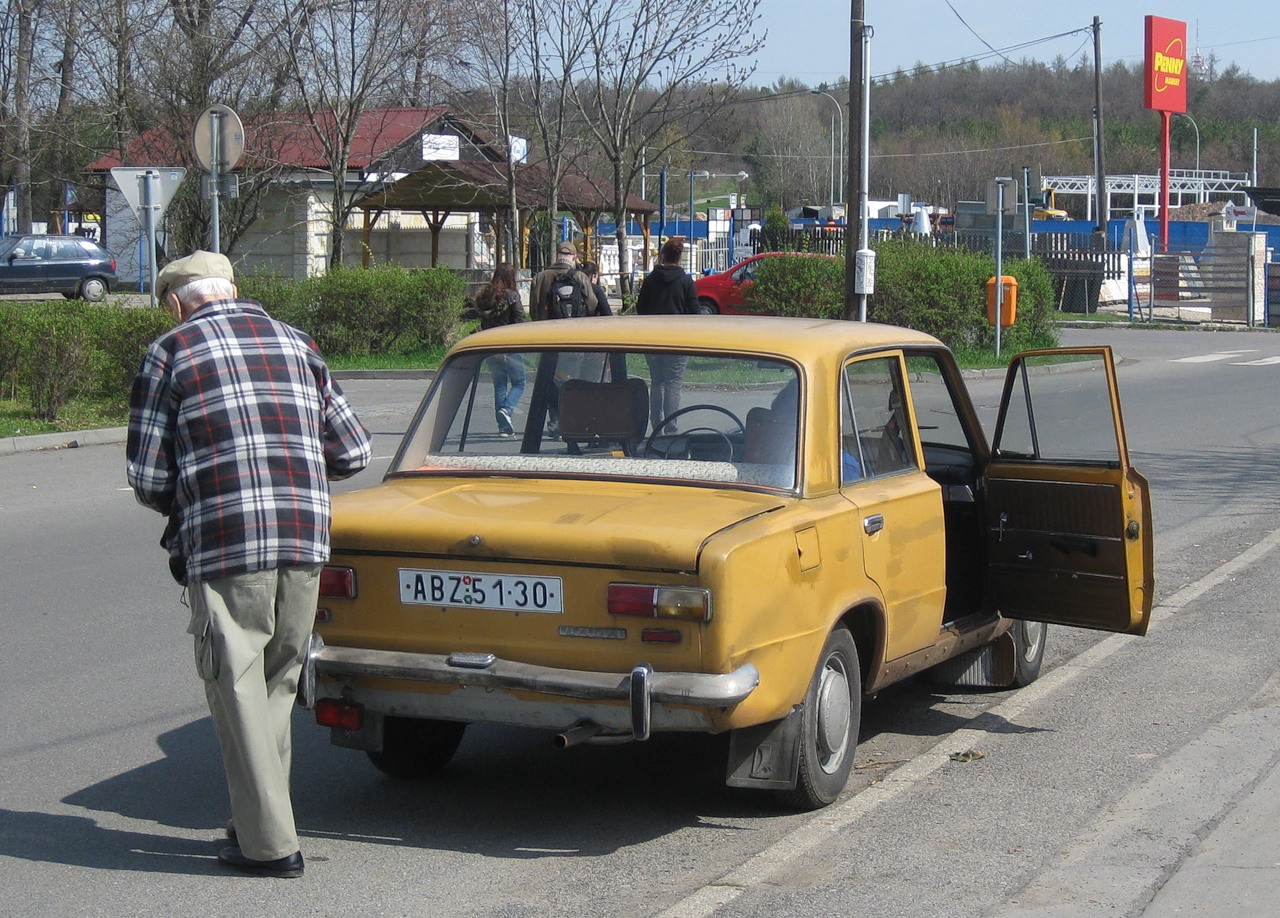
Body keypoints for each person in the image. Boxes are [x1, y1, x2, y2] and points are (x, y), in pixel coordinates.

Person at [126, 250, 372, 879]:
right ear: (234, 291)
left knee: (236, 689)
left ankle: (268, 846)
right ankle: (258, 820)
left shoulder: (170, 352)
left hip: (227, 540)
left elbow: (148, 476)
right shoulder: (297, 343)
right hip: (304, 538)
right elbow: (353, 452)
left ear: (176, 304)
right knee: (276, 685)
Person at [635, 237, 698, 430]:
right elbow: (695, 312)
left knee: (656, 382)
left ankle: (656, 423)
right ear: (679, 258)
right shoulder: (685, 281)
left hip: (652, 339)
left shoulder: (650, 281)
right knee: (673, 383)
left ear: (662, 255)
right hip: (677, 340)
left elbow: (640, 309)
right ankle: (671, 425)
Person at [475, 263, 527, 437]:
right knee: (519, 382)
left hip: (491, 347)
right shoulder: (512, 296)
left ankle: (503, 428)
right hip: (510, 345)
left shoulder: (486, 296)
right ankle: (507, 409)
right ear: (510, 278)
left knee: (499, 385)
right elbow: (520, 321)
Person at [529, 241, 597, 321]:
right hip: (574, 327)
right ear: (574, 257)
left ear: (557, 255)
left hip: (545, 328)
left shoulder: (539, 278)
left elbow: (533, 309)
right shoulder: (580, 276)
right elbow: (592, 303)